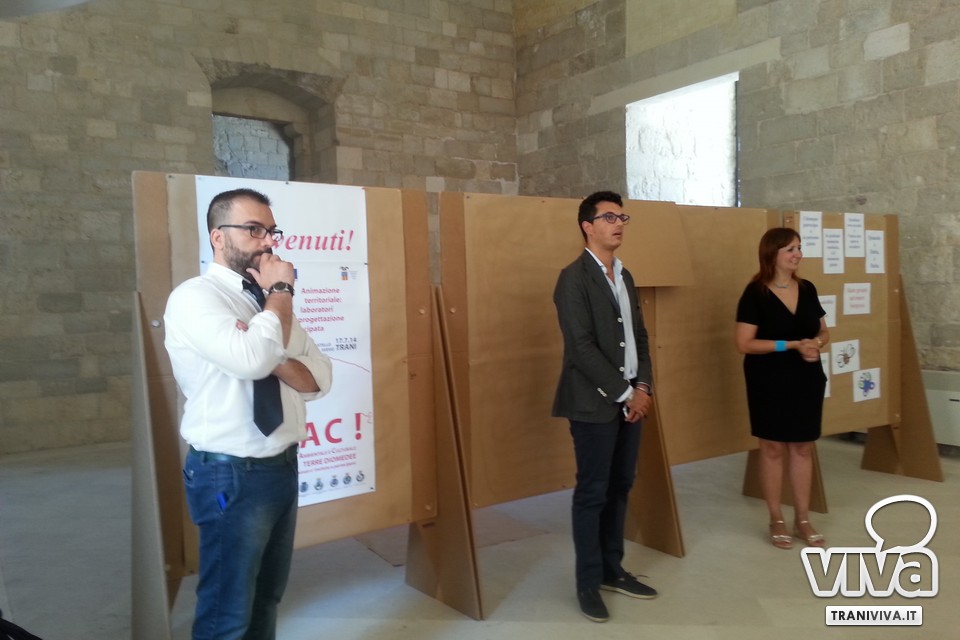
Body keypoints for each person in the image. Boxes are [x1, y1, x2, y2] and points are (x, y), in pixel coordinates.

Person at [164, 188, 333, 639]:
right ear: (218, 237)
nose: (269, 241)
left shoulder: (266, 305)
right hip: (230, 473)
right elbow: (253, 360)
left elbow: (319, 378)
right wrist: (280, 294)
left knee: (266, 598)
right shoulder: (195, 297)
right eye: (254, 229)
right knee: (227, 612)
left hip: (282, 466)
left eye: (272, 231)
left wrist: (267, 349)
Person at [552, 191, 657, 623]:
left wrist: (643, 386)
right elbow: (580, 347)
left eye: (622, 217)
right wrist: (625, 393)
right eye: (609, 217)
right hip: (594, 403)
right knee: (593, 491)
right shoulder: (572, 278)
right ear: (587, 226)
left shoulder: (625, 276)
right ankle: (588, 581)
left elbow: (640, 337)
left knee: (621, 485)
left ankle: (613, 569)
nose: (618, 224)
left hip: (633, 399)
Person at [735, 227, 829, 551]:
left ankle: (802, 518)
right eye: (790, 249)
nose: (798, 254)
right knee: (772, 447)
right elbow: (744, 343)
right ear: (771, 253)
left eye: (799, 248)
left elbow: (823, 332)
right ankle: (776, 517)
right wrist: (790, 344)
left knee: (802, 447)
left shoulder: (808, 288)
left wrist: (815, 344)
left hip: (807, 377)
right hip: (768, 379)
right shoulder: (755, 293)